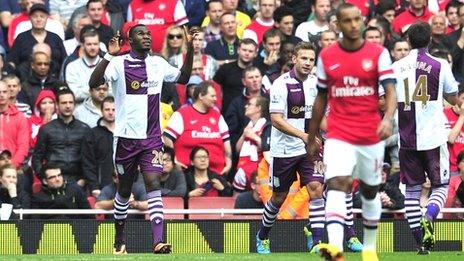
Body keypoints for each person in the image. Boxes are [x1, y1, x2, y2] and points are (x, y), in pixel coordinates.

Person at [88, 24, 197, 254]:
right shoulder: (118, 63)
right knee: (124, 190)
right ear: (130, 39)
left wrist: (191, 48)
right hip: (126, 139)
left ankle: (158, 241)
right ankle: (119, 239)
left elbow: (184, 78)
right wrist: (109, 54)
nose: (147, 36)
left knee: (153, 184)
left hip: (152, 139)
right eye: (141, 33)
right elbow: (93, 82)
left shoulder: (157, 63)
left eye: (148, 34)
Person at [306, 4, 397, 261]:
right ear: (338, 24)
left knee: (369, 191)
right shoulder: (327, 56)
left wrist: (388, 118)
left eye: (358, 19)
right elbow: (320, 99)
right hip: (338, 133)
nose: (354, 25)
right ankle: (336, 249)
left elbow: (390, 90)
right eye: (348, 21)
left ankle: (369, 248)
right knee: (336, 183)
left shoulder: (378, 54)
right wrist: (312, 137)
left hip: (370, 134)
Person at [392, 22, 458, 255]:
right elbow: (452, 95)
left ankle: (420, 243)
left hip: (407, 139)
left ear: (408, 41)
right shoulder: (440, 65)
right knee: (440, 185)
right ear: (430, 40)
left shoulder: (396, 67)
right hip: (433, 137)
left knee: (411, 190)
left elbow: (385, 98)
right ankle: (429, 215)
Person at [255, 42, 325, 255]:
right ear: (294, 59)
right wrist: (305, 136)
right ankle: (263, 236)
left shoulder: (317, 85)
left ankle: (317, 241)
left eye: (311, 60)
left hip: (309, 150)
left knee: (316, 189)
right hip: (284, 151)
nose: (307, 63)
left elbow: (321, 116)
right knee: (278, 197)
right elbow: (276, 119)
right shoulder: (280, 84)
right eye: (304, 58)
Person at [163, 81, 232, 175]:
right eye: (212, 96)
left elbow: (226, 142)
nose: (215, 99)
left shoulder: (218, 116)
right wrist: (174, 161)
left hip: (216, 174)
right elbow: (167, 138)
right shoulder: (182, 114)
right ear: (201, 96)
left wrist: (228, 162)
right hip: (187, 174)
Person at [32, 88, 91, 185]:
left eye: (70, 102)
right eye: (64, 103)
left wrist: (84, 180)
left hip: (78, 181)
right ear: (57, 105)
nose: (68, 106)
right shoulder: (46, 129)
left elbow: (90, 160)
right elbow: (37, 158)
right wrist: (45, 178)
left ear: (74, 104)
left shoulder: (84, 129)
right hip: (52, 180)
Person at [81, 96, 115, 198]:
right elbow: (88, 162)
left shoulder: (126, 133)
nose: (110, 112)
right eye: (107, 109)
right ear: (101, 111)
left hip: (125, 186)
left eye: (113, 109)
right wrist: (94, 186)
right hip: (102, 187)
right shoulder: (92, 134)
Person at [0, 81, 30, 170]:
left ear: (9, 94)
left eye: (4, 92)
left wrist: (12, 166)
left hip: (14, 168)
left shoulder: (20, 117)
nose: (1, 95)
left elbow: (23, 146)